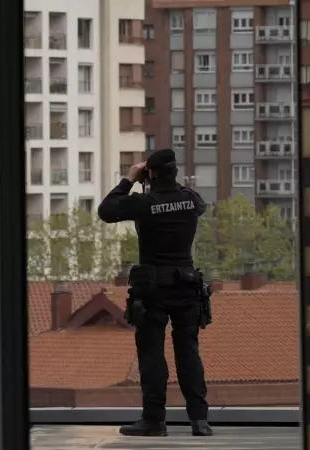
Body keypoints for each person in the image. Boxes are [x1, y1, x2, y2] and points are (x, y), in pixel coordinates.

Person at [97, 148, 212, 437]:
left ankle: (154, 420)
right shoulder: (190, 200)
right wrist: (165, 177)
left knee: (152, 354)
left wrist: (129, 180)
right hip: (187, 286)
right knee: (188, 352)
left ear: (151, 175)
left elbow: (106, 210)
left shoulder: (143, 203)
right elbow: (195, 200)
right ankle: (199, 420)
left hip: (153, 290)